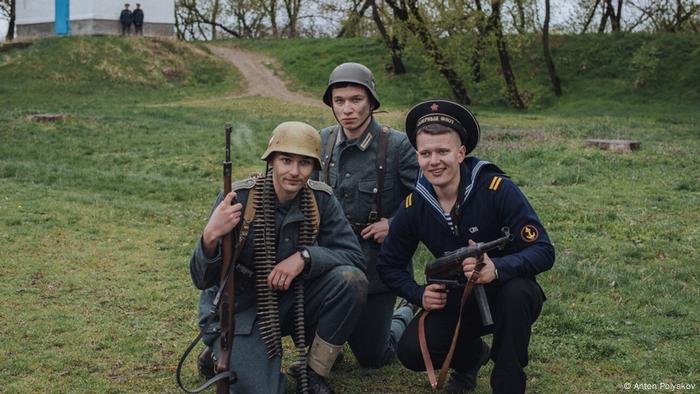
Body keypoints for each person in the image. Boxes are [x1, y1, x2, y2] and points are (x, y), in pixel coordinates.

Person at [377, 100, 555, 394]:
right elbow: (388, 264)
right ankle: (472, 357)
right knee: (410, 351)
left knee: (517, 292)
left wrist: (497, 268)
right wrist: (418, 293)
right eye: (426, 153)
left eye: (443, 151)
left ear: (461, 153)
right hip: (457, 298)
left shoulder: (497, 189)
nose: (434, 161)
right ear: (418, 157)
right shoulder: (414, 205)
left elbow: (544, 250)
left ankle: (508, 379)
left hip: (508, 292)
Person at [190, 121, 368, 394]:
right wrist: (210, 236)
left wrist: (305, 257)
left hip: (291, 301)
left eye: (304, 163)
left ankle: (314, 372)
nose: (295, 172)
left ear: (314, 167)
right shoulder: (240, 197)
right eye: (286, 160)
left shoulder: (320, 200)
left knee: (350, 280)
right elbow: (201, 279)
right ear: (272, 160)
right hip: (240, 311)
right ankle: (219, 353)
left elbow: (354, 257)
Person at [316, 62, 420, 368]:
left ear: (371, 102)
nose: (347, 108)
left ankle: (406, 311)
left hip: (378, 268)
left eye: (356, 100)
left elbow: (426, 198)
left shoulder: (399, 145)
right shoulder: (321, 141)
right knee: (320, 350)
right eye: (339, 101)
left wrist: (395, 223)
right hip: (329, 264)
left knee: (374, 356)